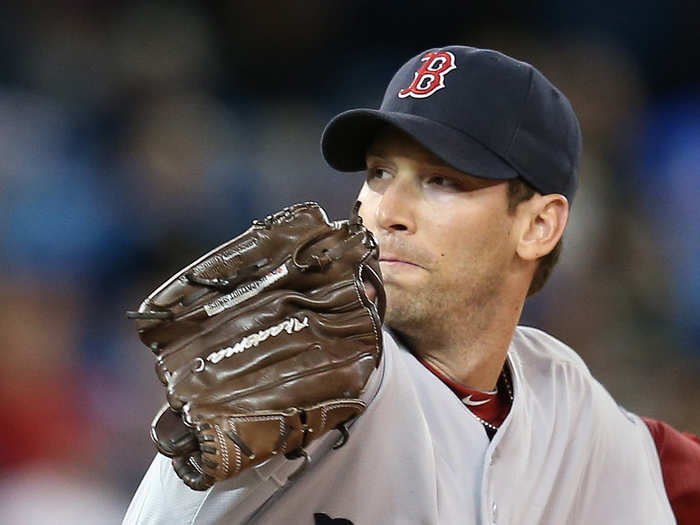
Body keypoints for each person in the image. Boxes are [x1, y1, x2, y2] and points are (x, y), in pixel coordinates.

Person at [123, 45, 699, 524]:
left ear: (538, 224)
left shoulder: (569, 407)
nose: (386, 210)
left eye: (442, 180)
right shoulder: (315, 369)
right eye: (378, 173)